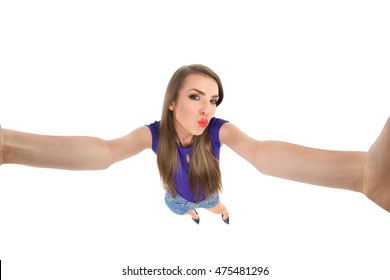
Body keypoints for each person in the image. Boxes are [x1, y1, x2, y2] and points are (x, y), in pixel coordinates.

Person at [1, 64, 389, 225]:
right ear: (172, 101)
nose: (207, 109)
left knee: (211, 204)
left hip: (207, 194)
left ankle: (213, 212)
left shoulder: (220, 130)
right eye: (196, 97)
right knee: (182, 207)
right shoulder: (153, 134)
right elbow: (105, 153)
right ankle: (193, 214)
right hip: (175, 202)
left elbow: (260, 154)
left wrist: (362, 174)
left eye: (214, 99)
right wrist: (12, 147)